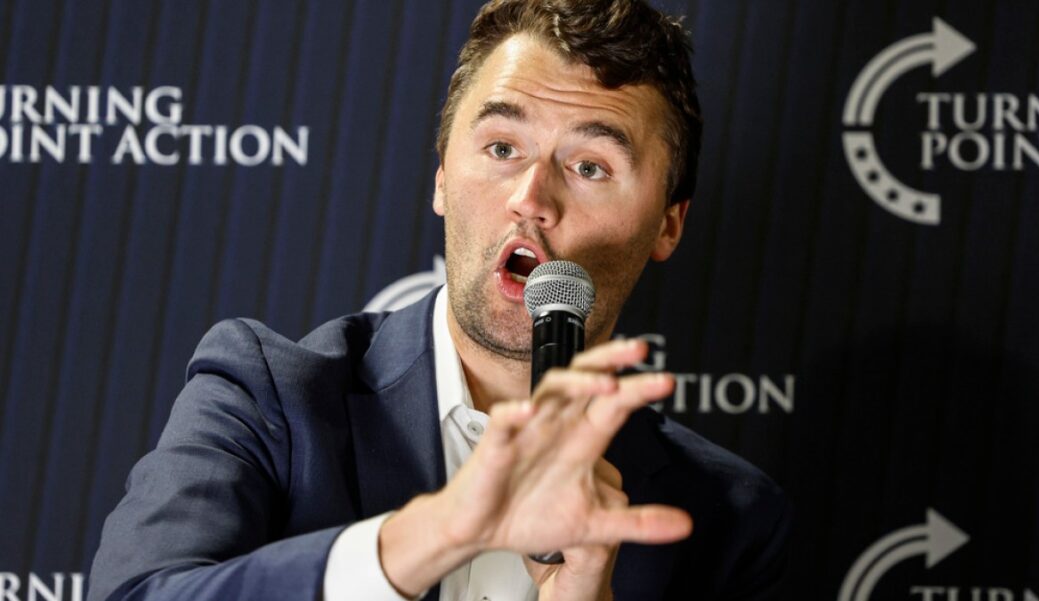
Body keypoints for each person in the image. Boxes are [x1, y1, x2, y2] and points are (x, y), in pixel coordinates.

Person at [88, 1, 790, 600]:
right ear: (441, 178)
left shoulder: (732, 519)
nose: (531, 198)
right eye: (502, 148)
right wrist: (440, 529)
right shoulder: (267, 396)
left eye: (589, 166)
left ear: (668, 223)